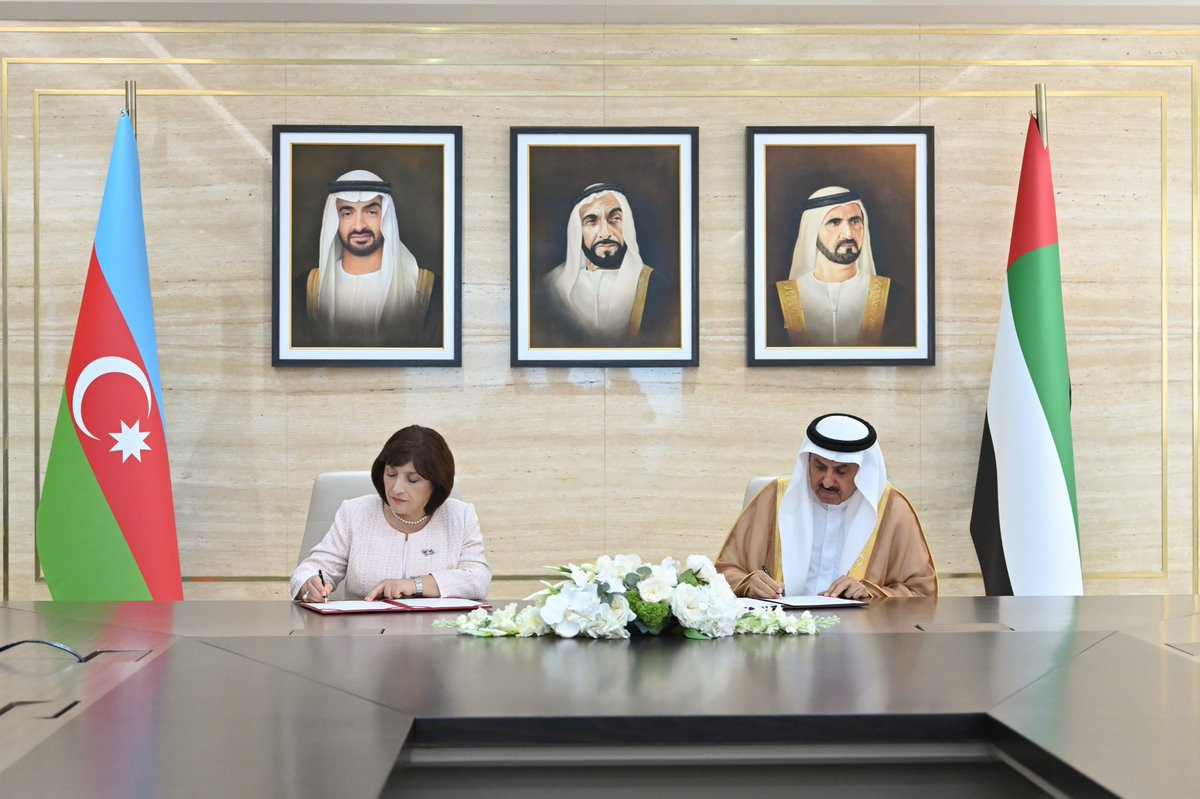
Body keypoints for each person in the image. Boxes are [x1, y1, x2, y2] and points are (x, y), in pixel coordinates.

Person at [716, 413, 936, 599]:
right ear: (808, 461)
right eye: (819, 467)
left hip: (857, 633)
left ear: (862, 471)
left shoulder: (893, 510)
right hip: (780, 629)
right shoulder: (774, 498)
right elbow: (721, 574)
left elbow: (922, 593)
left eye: (841, 471)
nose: (828, 481)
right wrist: (748, 583)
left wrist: (871, 593)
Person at [291, 425, 491, 602]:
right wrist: (309, 585)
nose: (396, 489)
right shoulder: (355, 513)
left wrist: (414, 585)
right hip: (364, 630)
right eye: (391, 474)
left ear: (437, 483)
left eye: (412, 479)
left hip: (437, 629)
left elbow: (478, 579)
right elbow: (311, 569)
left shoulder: (460, 516)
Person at [295, 169, 439, 348]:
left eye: (371, 212)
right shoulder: (303, 291)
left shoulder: (428, 291)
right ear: (335, 220)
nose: (359, 226)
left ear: (385, 217)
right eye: (347, 213)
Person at [532, 182, 677, 347]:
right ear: (578, 231)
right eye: (591, 221)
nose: (605, 233)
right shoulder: (552, 287)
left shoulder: (656, 285)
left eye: (615, 218)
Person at [774, 186, 913, 348]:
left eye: (855, 221)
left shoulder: (897, 298)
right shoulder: (775, 301)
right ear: (813, 232)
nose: (848, 234)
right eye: (834, 222)